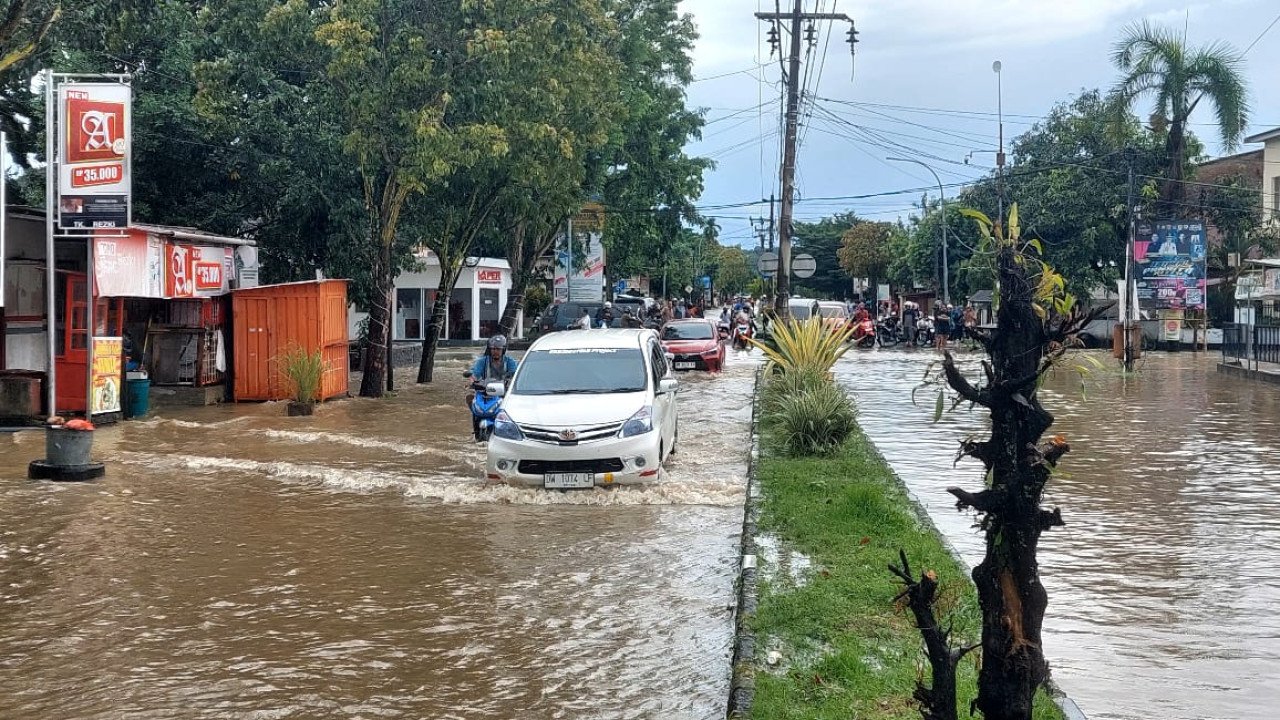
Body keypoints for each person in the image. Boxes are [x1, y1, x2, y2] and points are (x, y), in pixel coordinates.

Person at [466, 335, 519, 439]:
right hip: (485, 392)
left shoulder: (510, 362)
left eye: (498, 349)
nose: (495, 351)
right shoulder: (483, 361)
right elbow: (475, 373)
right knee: (470, 398)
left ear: (503, 350)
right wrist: (471, 381)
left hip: (503, 393)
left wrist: (511, 382)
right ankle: (475, 427)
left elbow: (515, 375)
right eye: (493, 349)